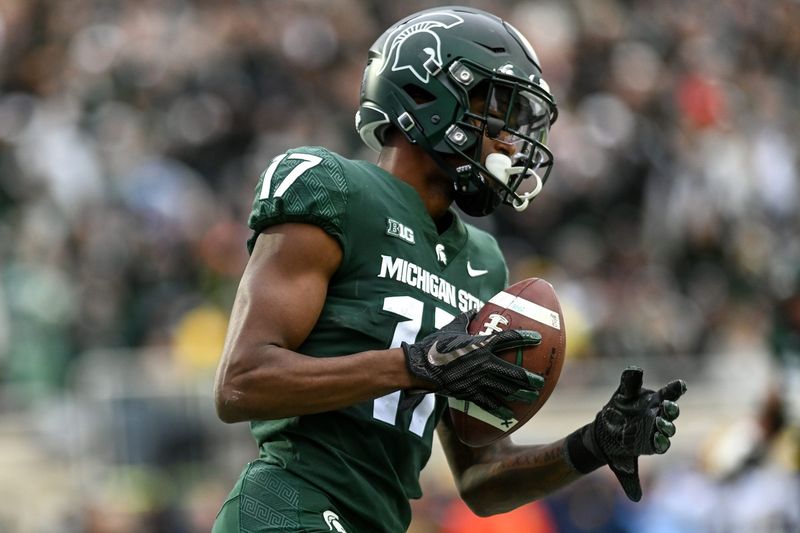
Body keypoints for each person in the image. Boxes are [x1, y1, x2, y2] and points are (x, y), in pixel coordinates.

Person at [212, 6, 686, 532]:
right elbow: (242, 381)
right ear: (431, 95)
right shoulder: (333, 187)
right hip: (286, 505)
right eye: (501, 111)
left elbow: (481, 478)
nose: (512, 141)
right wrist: (412, 366)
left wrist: (594, 442)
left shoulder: (482, 262)